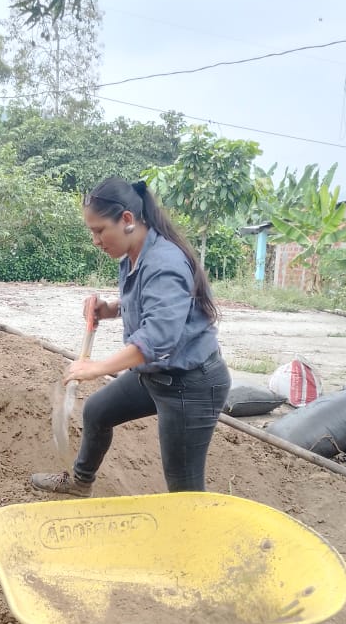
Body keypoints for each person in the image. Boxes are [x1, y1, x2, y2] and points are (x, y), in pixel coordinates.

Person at [31, 176, 231, 496]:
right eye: (91, 231)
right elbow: (147, 303)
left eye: (99, 230)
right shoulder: (133, 256)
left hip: (190, 384)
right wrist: (110, 309)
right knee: (98, 411)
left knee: (184, 487)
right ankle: (81, 483)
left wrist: (97, 367)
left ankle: (190, 526)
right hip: (156, 375)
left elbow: (159, 337)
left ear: (126, 219)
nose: (95, 240)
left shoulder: (165, 263)